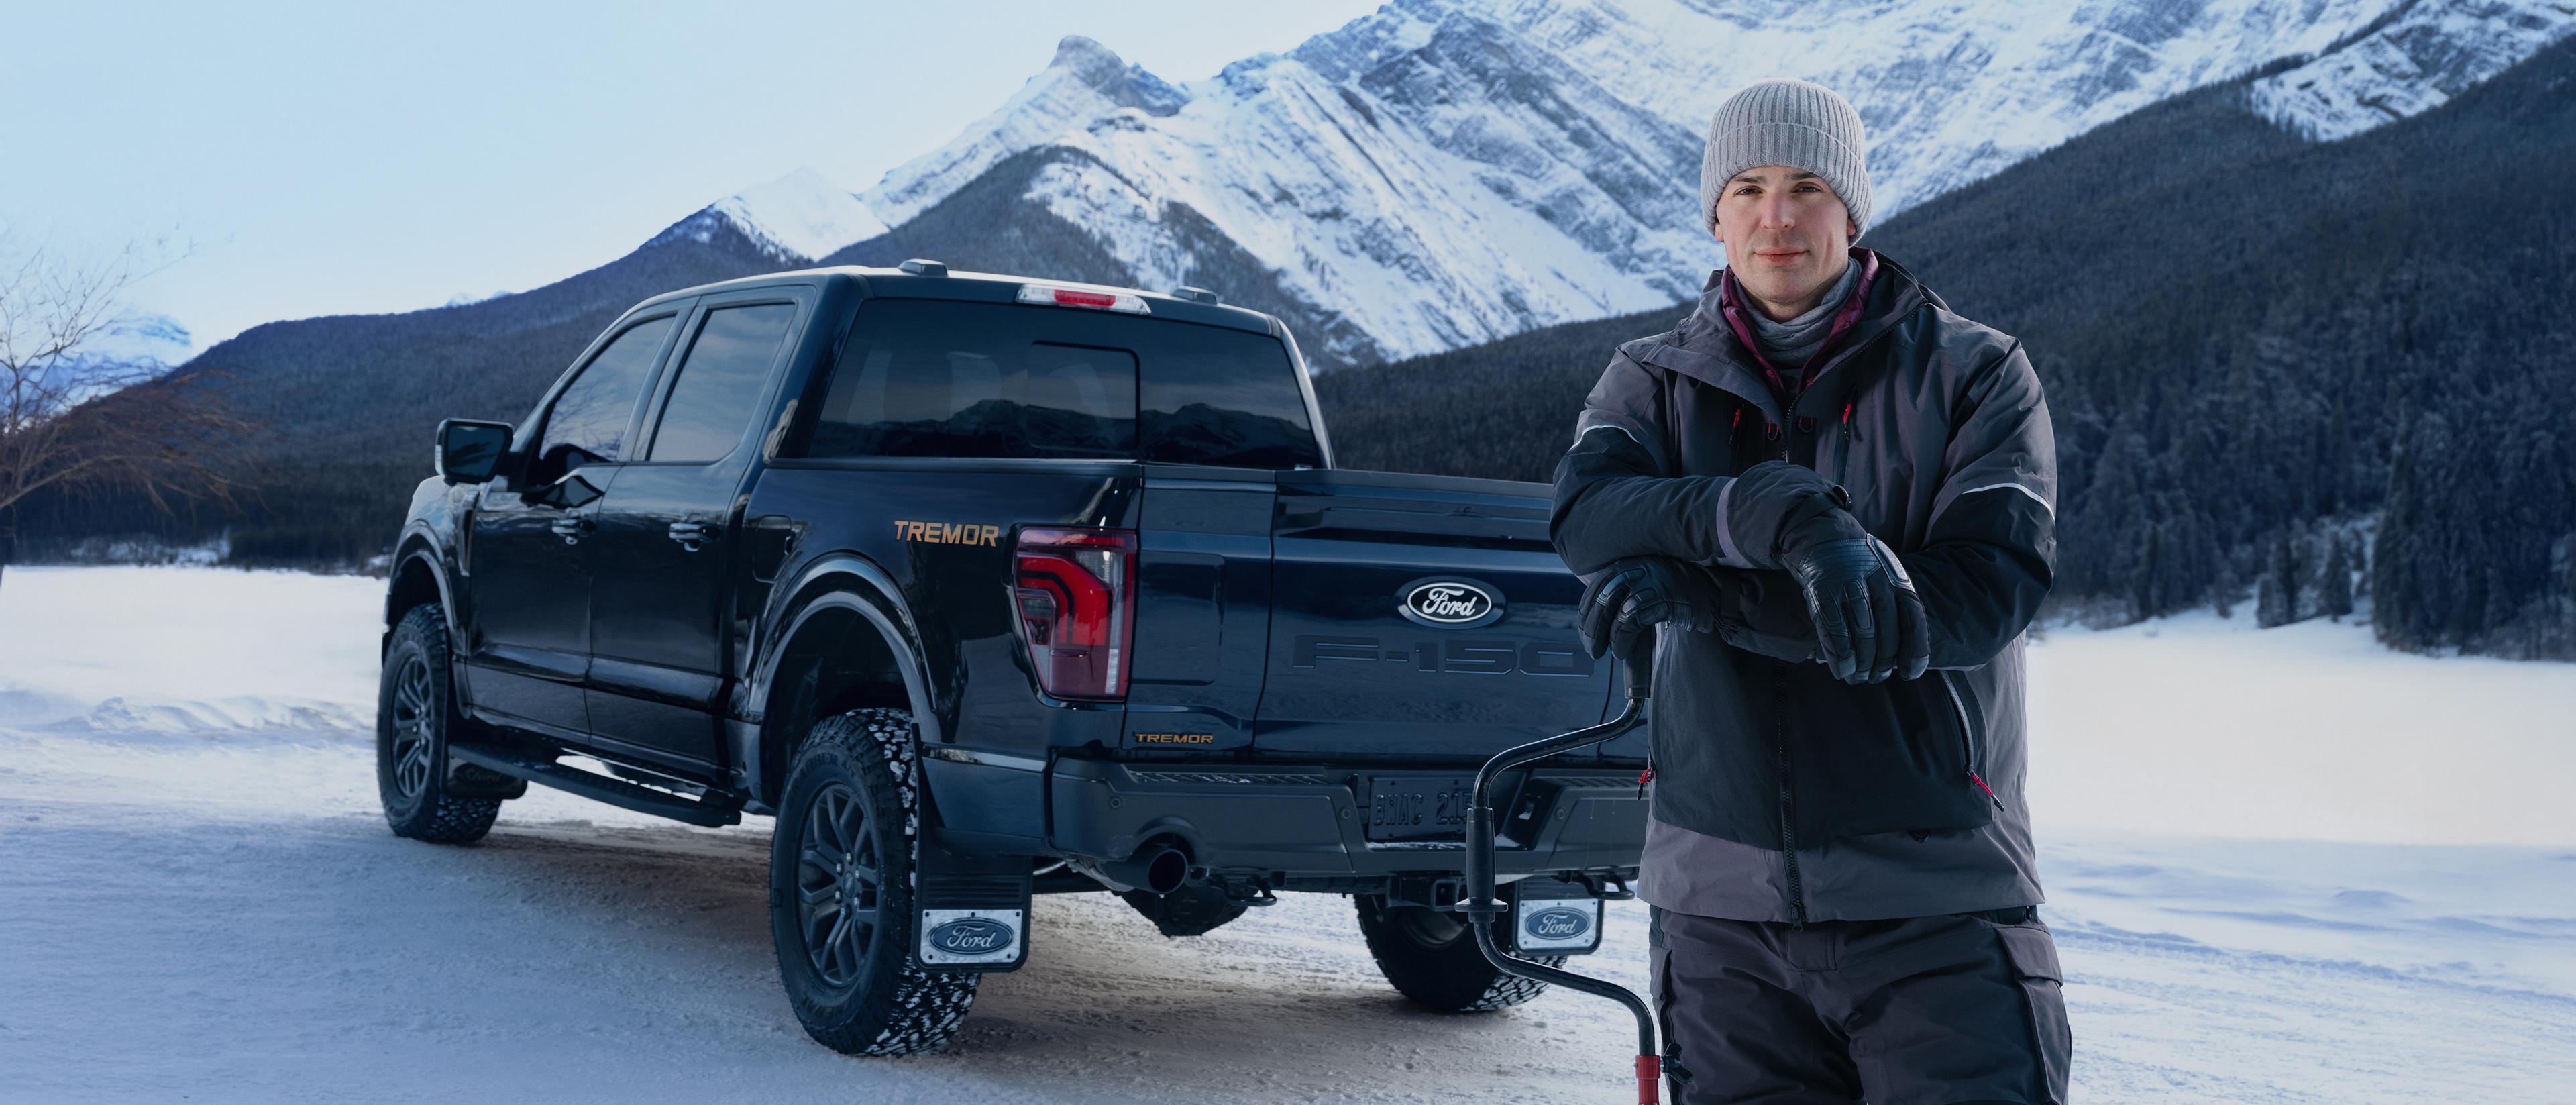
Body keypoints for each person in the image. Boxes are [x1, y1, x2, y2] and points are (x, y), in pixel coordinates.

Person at [1552, 78, 2071, 1104]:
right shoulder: (1649, 380)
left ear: (1853, 209)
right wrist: (1778, 519)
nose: (1775, 216)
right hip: (1717, 913)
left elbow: (1978, 596)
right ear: (1715, 212)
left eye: (1805, 186)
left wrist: (1704, 593)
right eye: (1745, 187)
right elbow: (1588, 514)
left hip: (1933, 898)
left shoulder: (1976, 375)